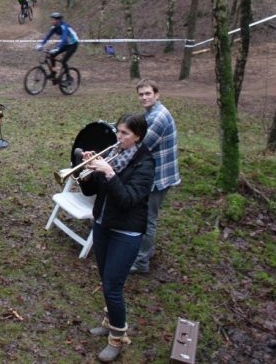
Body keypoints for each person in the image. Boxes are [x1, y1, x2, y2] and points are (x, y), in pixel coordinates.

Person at [79, 113, 155, 363]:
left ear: (138, 137)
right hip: (103, 224)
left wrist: (109, 173)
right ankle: (109, 321)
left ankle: (117, 339)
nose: (119, 137)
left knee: (113, 286)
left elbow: (127, 200)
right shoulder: (114, 155)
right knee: (105, 278)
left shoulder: (145, 163)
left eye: (125, 134)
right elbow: (92, 191)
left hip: (126, 231)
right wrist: (90, 171)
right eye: (118, 132)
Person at [131, 79, 180, 274]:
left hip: (159, 176)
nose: (144, 97)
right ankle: (146, 251)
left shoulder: (158, 117)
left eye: (147, 93)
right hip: (157, 172)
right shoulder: (151, 113)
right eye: (141, 94)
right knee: (147, 216)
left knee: (147, 218)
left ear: (157, 94)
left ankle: (141, 262)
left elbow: (142, 147)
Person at [35, 12, 79, 81]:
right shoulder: (54, 27)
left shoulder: (64, 26)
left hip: (73, 44)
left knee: (64, 61)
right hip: (66, 44)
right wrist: (41, 44)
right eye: (51, 19)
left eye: (53, 20)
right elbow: (47, 36)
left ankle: (69, 78)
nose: (51, 21)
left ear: (58, 20)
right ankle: (53, 73)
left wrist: (57, 48)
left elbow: (63, 38)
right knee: (52, 55)